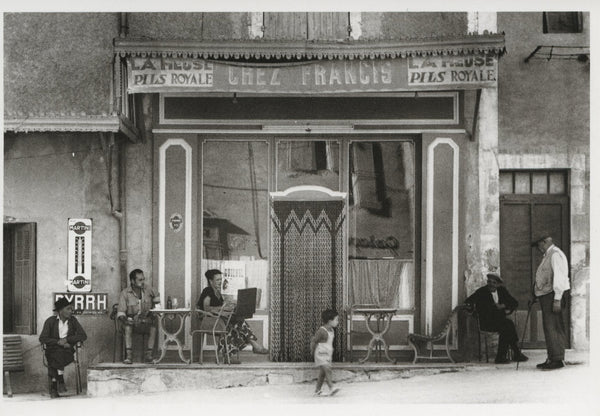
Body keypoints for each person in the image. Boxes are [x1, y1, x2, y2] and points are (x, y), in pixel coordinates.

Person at [197, 269, 268, 362]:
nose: (220, 282)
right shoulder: (207, 290)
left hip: (218, 320)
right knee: (231, 325)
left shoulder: (218, 293)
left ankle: (228, 356)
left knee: (238, 321)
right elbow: (206, 308)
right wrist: (222, 308)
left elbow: (220, 307)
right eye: (217, 280)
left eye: (221, 279)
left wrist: (229, 306)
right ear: (210, 281)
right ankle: (253, 346)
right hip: (208, 320)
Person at [464, 272, 528, 364]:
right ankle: (513, 353)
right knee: (508, 325)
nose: (491, 285)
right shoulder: (481, 292)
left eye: (494, 283)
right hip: (486, 322)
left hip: (500, 321)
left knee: (507, 326)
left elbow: (514, 303)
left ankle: (504, 356)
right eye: (489, 282)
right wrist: (477, 311)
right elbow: (468, 302)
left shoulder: (502, 291)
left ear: (498, 284)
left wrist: (503, 306)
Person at [531, 234, 570, 370]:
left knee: (554, 326)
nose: (538, 248)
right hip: (547, 296)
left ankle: (557, 359)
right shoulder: (548, 255)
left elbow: (559, 278)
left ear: (545, 242)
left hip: (553, 296)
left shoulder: (555, 255)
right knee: (549, 327)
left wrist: (557, 299)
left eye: (539, 244)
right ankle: (552, 357)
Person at [39, 297, 87, 398]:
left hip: (67, 351)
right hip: (52, 350)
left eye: (71, 309)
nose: (71, 311)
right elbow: (43, 338)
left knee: (55, 358)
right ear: (60, 311)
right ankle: (59, 379)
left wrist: (67, 340)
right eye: (68, 309)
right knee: (55, 355)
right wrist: (58, 342)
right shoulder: (50, 321)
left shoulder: (73, 321)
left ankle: (55, 386)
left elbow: (83, 335)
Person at [117, 269, 159, 364]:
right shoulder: (125, 293)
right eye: (140, 280)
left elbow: (157, 300)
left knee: (153, 326)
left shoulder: (148, 290)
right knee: (128, 327)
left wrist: (152, 314)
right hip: (132, 323)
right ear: (132, 281)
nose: (143, 282)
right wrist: (127, 320)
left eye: (143, 279)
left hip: (145, 322)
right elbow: (120, 313)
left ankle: (148, 355)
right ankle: (129, 356)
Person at [310, 309, 341, 396]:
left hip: (327, 354)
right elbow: (314, 340)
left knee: (322, 373)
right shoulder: (322, 331)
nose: (337, 322)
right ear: (330, 321)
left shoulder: (331, 330)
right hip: (320, 354)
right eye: (336, 320)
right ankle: (331, 387)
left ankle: (317, 390)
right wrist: (312, 351)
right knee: (327, 369)